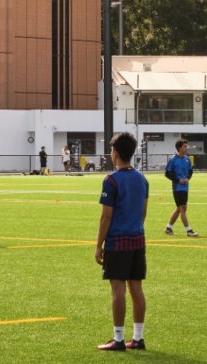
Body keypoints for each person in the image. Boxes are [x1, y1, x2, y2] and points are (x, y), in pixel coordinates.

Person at [95, 131, 149, 351]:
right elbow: (143, 212)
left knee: (117, 288)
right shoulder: (142, 179)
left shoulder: (111, 180)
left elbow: (106, 216)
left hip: (118, 242)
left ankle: (118, 338)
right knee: (136, 288)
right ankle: (138, 337)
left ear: (114, 153)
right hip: (138, 239)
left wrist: (98, 245)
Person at [164, 140, 199, 238]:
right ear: (179, 148)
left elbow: (190, 171)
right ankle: (189, 231)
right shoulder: (173, 160)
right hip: (177, 188)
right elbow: (167, 173)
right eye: (184, 146)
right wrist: (178, 180)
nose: (186, 148)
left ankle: (168, 228)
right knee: (182, 208)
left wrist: (187, 179)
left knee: (180, 208)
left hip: (185, 187)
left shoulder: (187, 159)